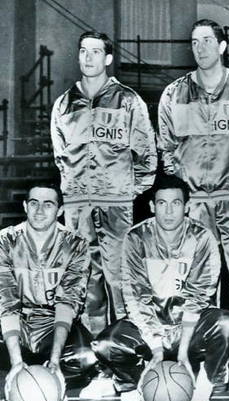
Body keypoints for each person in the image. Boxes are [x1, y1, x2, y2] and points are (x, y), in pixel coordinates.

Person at [78, 175, 229, 401]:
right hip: (151, 324)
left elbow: (199, 295)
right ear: (152, 206)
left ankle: (206, 380)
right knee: (105, 345)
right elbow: (136, 297)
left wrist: (183, 350)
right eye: (162, 203)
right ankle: (139, 381)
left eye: (175, 203)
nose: (168, 211)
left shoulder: (202, 237)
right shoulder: (136, 237)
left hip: (189, 326)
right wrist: (156, 348)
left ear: (186, 207)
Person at [158, 19, 229, 328]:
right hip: (194, 201)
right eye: (195, 42)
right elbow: (166, 146)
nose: (201, 48)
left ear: (222, 46)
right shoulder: (174, 93)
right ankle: (205, 349)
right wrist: (179, 179)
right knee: (197, 281)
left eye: (207, 40)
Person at [50, 31, 157, 335]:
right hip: (77, 205)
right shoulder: (63, 104)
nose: (89, 57)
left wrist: (126, 190)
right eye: (84, 51)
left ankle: (127, 349)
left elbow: (146, 153)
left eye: (96, 52)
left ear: (108, 58)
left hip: (116, 204)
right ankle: (96, 353)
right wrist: (71, 191)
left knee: (121, 277)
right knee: (85, 280)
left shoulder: (127, 100)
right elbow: (61, 156)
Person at [0, 183, 97, 401]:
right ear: (25, 206)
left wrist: (54, 359)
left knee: (89, 359)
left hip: (53, 324)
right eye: (34, 203)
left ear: (60, 210)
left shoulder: (76, 244)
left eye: (48, 204)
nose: (40, 210)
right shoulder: (5, 240)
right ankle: (17, 370)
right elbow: (5, 300)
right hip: (16, 323)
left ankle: (50, 370)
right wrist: (16, 360)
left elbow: (68, 302)